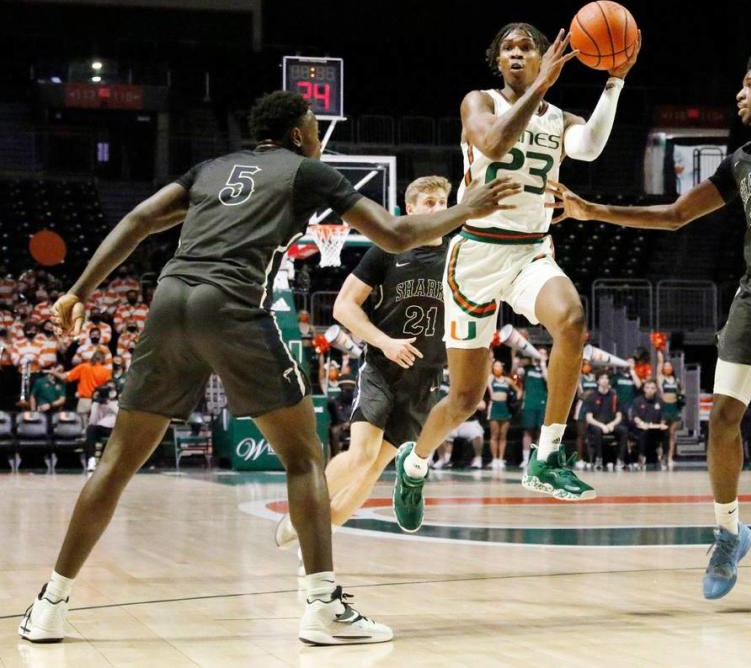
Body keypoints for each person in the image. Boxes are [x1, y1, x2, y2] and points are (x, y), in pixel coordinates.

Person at [18, 89, 519, 646]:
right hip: (229, 306)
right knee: (305, 457)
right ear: (302, 135)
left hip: (170, 302)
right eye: (315, 131)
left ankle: (49, 604)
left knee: (114, 465)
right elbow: (398, 234)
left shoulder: (212, 168)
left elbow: (138, 220)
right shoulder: (305, 171)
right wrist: (468, 209)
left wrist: (81, 289)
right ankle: (323, 606)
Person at [550, 0, 751, 610]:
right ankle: (727, 530)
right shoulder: (739, 162)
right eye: (741, 83)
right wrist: (590, 209)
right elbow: (678, 215)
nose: (740, 92)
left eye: (749, 84)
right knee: (723, 417)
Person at [391, 20, 639, 531]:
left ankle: (547, 456)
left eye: (527, 47)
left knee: (571, 320)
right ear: (498, 62)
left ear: (545, 55)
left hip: (530, 252)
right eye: (508, 48)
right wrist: (543, 87)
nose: (518, 54)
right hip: (476, 258)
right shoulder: (478, 102)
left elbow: (588, 147)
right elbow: (496, 145)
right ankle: (414, 466)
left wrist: (613, 81)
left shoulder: (558, 116)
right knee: (464, 399)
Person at [273, 175, 454, 550]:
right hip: (382, 369)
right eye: (429, 203)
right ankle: (300, 511)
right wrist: (385, 342)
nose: (438, 209)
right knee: (361, 456)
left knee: (373, 470)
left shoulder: (458, 254)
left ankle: (318, 539)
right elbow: (343, 306)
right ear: (410, 210)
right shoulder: (388, 248)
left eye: (443, 202)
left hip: (427, 377)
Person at [584, 373, 627, 470]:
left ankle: (620, 460)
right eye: (602, 378)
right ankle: (598, 459)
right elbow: (589, 418)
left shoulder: (614, 396)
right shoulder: (592, 396)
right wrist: (602, 425)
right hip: (597, 424)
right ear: (598, 381)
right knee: (597, 430)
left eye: (607, 378)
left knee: (624, 430)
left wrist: (612, 424)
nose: (605, 380)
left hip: (611, 424)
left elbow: (619, 416)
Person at [487, 359, 522, 472]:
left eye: (499, 366)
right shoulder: (490, 378)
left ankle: (501, 458)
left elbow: (519, 391)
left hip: (505, 407)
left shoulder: (507, 380)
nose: (497, 368)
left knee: (503, 435)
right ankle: (494, 458)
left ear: (502, 368)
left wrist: (515, 401)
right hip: (494, 407)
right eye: (495, 366)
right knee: (494, 435)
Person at [627, 380, 669, 470]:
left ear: (656, 390)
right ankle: (641, 457)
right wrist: (641, 423)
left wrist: (662, 423)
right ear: (644, 389)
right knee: (643, 432)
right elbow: (634, 416)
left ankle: (664, 457)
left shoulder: (659, 401)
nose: (650, 390)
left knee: (666, 432)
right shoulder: (637, 401)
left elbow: (663, 415)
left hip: (655, 428)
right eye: (648, 388)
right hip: (641, 427)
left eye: (652, 388)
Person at [519, 348, 549, 468]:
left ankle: (537, 459)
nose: (540, 355)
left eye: (543, 353)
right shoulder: (528, 368)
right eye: (539, 352)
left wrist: (543, 365)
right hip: (529, 403)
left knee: (540, 432)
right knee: (527, 431)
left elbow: (549, 381)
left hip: (542, 404)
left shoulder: (548, 369)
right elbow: (517, 370)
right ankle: (525, 459)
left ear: (546, 357)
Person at [84, 382, 119, 473]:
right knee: (90, 429)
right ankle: (91, 460)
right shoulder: (97, 404)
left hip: (113, 428)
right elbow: (93, 421)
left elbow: (119, 415)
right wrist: (96, 405)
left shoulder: (115, 402)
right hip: (100, 427)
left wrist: (109, 403)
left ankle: (107, 463)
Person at [656, 350, 683, 470]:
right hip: (665, 407)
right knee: (663, 434)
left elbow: (681, 392)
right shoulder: (662, 379)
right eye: (665, 366)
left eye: (669, 366)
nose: (667, 368)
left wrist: (681, 396)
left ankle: (670, 457)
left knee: (672, 434)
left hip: (674, 408)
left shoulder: (676, 380)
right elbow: (658, 368)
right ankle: (661, 456)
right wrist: (660, 356)